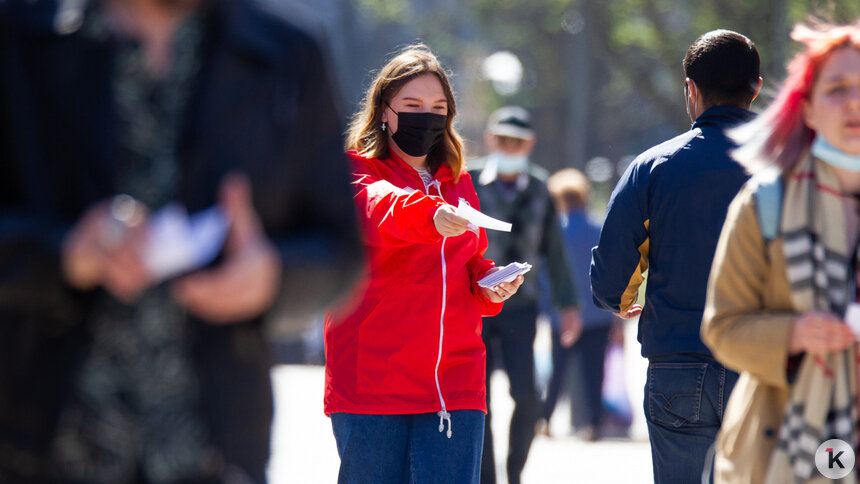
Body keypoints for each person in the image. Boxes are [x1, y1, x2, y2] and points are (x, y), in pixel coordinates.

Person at [0, 0, 363, 481]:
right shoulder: (21, 37)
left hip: (214, 453)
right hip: (38, 445)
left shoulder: (285, 54)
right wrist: (61, 255)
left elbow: (341, 253)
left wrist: (270, 274)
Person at [324, 45, 524, 484]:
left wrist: (489, 285)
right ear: (384, 111)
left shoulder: (460, 181)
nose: (426, 117)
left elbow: (471, 264)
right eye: (412, 106)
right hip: (373, 384)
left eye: (438, 108)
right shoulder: (354, 173)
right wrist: (429, 214)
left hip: (455, 383)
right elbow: (379, 208)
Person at [590, 30, 762, 483]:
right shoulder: (792, 165)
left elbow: (611, 275)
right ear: (757, 86)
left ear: (691, 88)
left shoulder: (652, 167)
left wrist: (620, 302)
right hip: (767, 364)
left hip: (679, 369)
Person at [702, 21, 860, 483]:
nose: (853, 101)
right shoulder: (764, 201)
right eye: (836, 88)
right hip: (778, 453)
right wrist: (796, 334)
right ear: (807, 109)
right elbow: (723, 326)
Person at [469, 106, 580, 484]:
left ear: (529, 144)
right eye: (502, 140)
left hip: (522, 306)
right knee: (476, 398)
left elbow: (555, 251)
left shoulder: (540, 188)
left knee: (527, 395)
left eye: (517, 141)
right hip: (474, 307)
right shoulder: (467, 181)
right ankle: (485, 477)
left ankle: (514, 473)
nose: (509, 146)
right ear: (490, 139)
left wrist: (568, 305)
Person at [541, 168, 618, 441]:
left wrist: (546, 310)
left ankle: (546, 418)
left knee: (557, 370)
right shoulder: (600, 228)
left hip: (562, 313)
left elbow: (545, 275)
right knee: (594, 373)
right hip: (598, 314)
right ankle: (593, 425)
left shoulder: (556, 231)